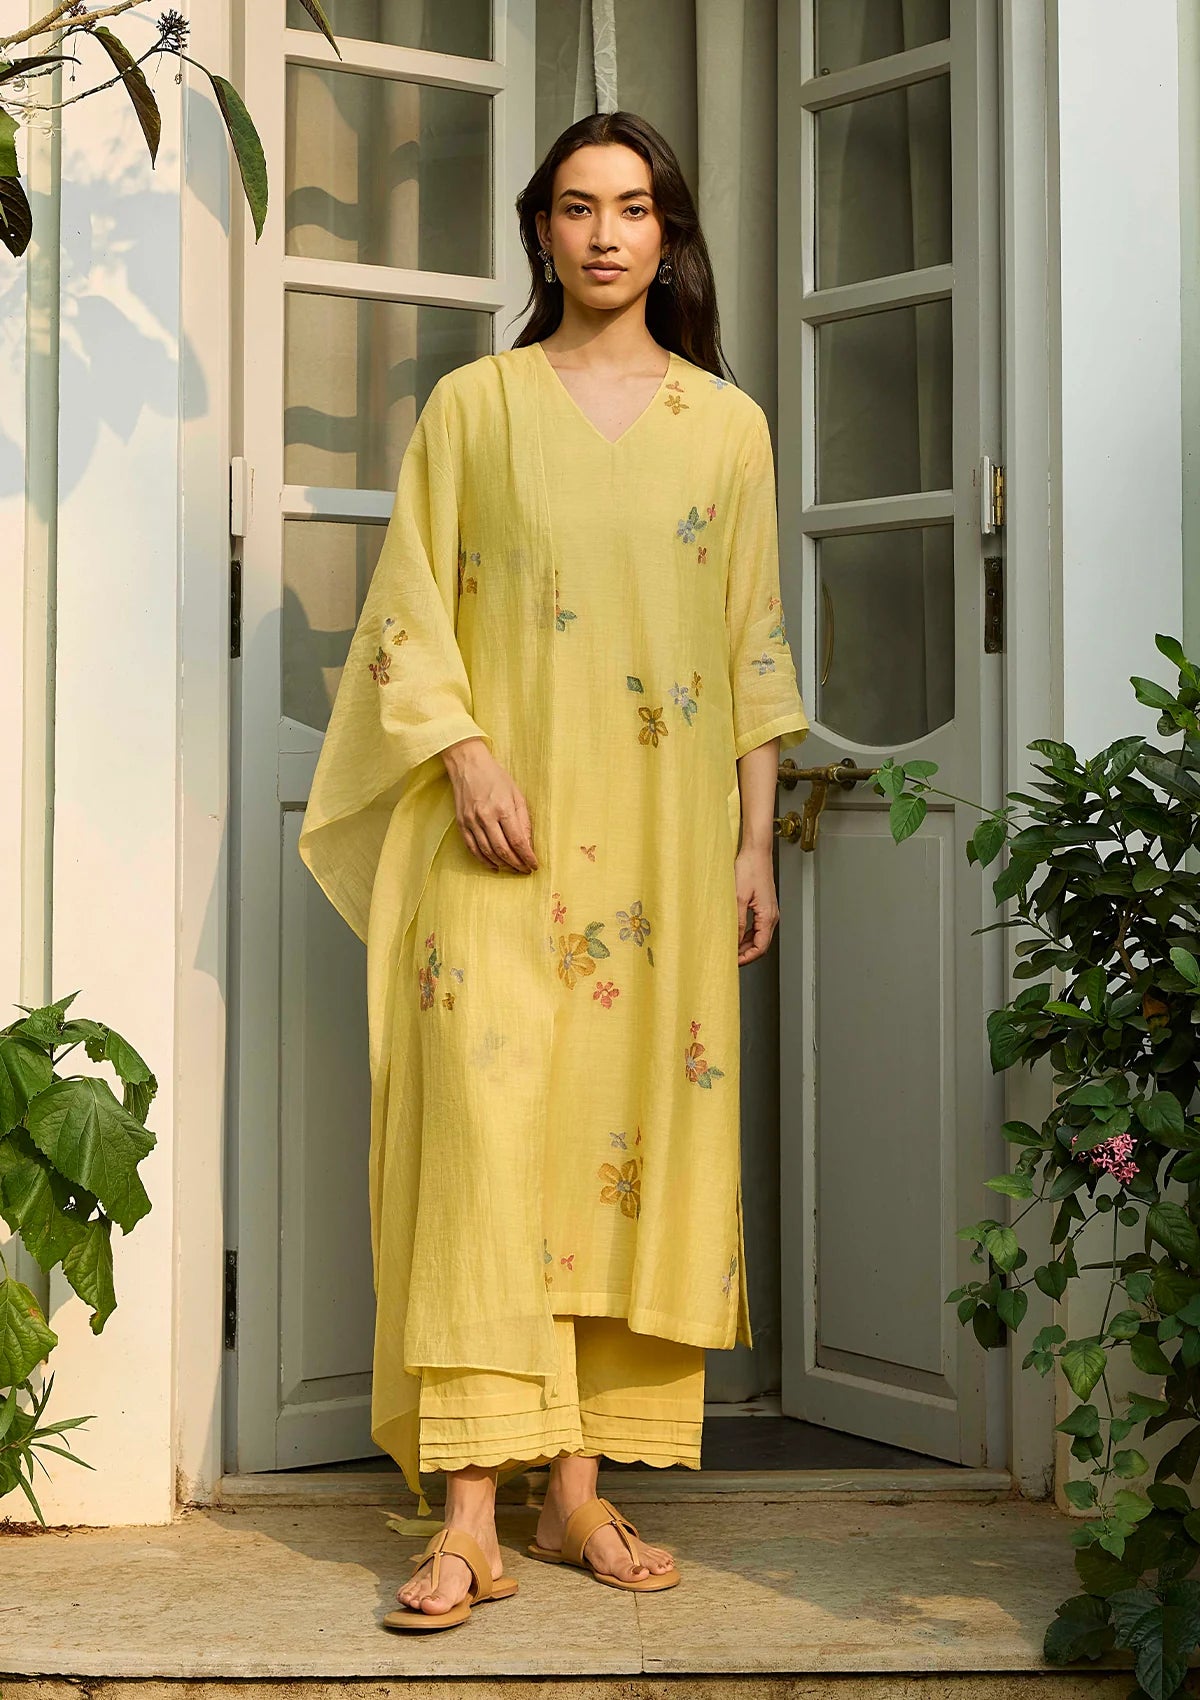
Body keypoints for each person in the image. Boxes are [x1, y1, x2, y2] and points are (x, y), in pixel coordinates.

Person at [298, 109, 809, 1633]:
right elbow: (405, 618)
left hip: (659, 862)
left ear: (667, 233)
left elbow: (753, 646)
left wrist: (751, 842)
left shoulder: (726, 425)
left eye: (633, 207)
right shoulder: (474, 407)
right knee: (482, 1155)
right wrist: (463, 756)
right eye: (578, 207)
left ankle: (576, 1492)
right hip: (496, 845)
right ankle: (468, 1516)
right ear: (540, 230)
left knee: (613, 1144)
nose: (604, 234)